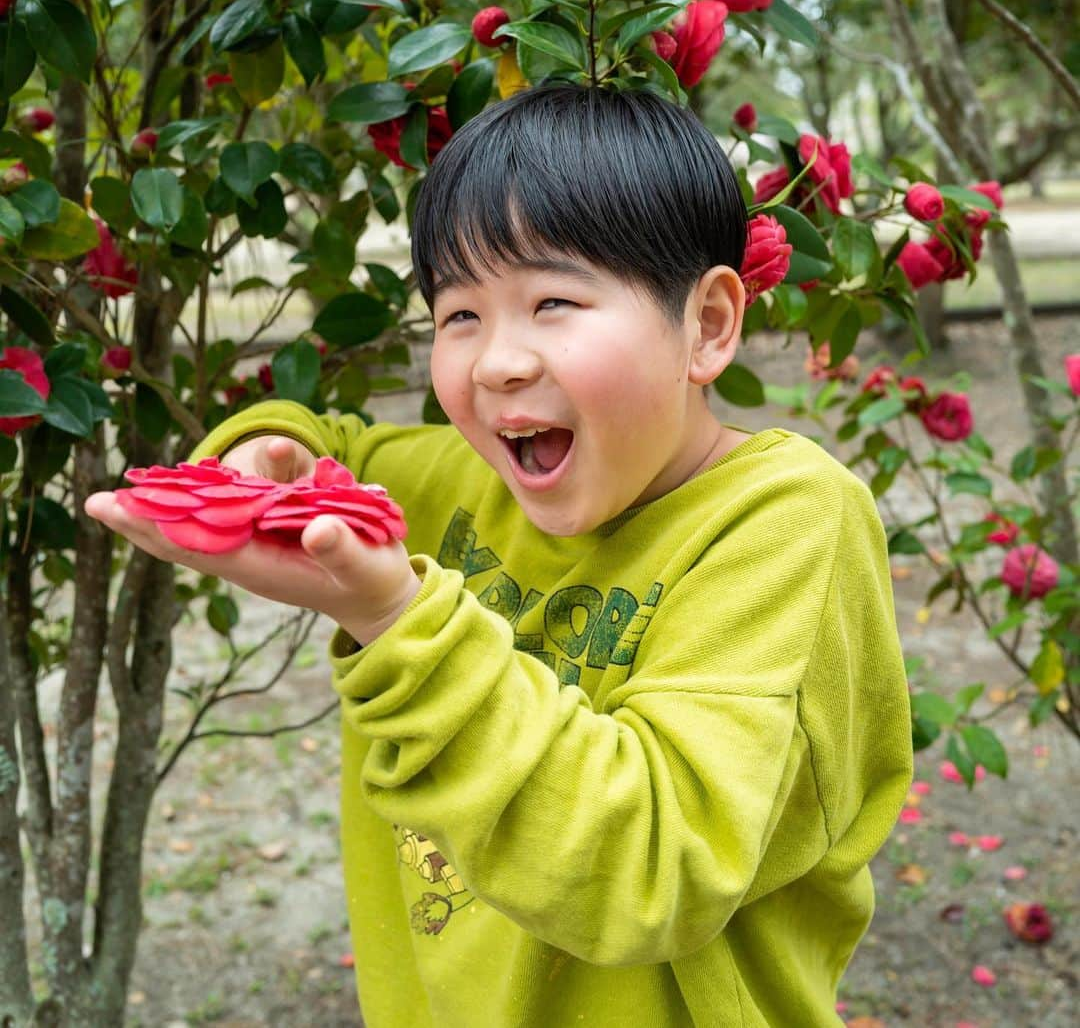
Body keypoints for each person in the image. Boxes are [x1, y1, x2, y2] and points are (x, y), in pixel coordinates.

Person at [86, 85, 913, 1028]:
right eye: (459, 315)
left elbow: (654, 867)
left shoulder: (786, 523)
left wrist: (397, 623)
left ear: (709, 325)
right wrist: (261, 454)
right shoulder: (460, 483)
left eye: (553, 299)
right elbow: (322, 442)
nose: (495, 363)